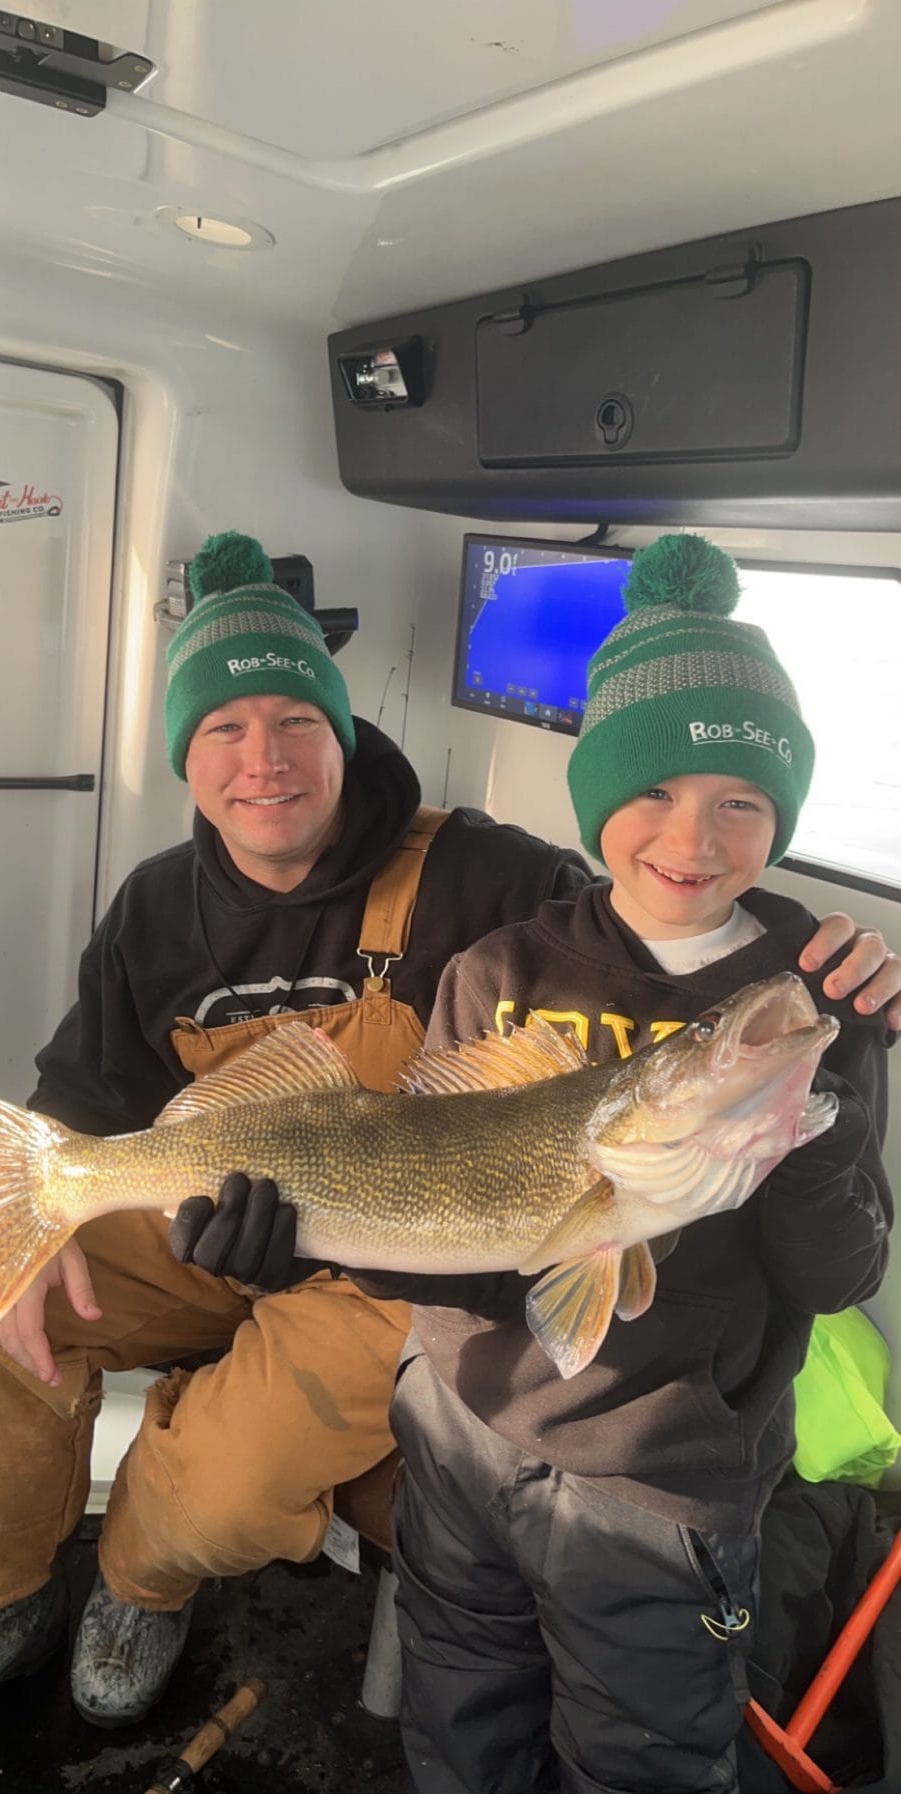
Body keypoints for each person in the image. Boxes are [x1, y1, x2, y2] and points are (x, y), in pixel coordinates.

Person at [0, 530, 895, 1783]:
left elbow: (648, 905)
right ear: (183, 756)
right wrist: (51, 1203)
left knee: (235, 1469)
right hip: (240, 1194)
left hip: (395, 1255)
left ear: (345, 731)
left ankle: (139, 1581)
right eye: (222, 728)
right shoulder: (157, 903)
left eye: (294, 721)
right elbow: (88, 1076)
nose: (262, 760)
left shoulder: (490, 881)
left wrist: (822, 964)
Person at [375, 534, 893, 1793]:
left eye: (741, 803)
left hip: (663, 1481)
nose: (691, 838)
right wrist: (295, 1229)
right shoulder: (497, 972)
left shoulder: (811, 993)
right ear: (596, 788)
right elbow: (435, 1229)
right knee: (456, 1713)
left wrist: (808, 1123)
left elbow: (834, 1275)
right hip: (460, 1432)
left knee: (643, 1755)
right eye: (652, 790)